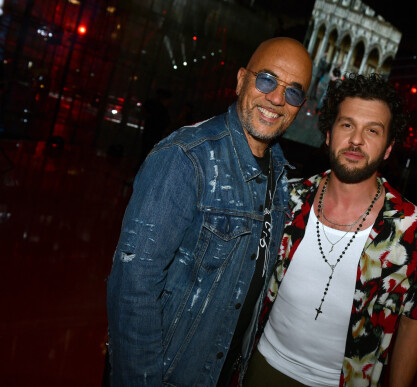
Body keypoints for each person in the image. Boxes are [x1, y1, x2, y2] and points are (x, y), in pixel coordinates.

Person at [105, 37, 312, 386]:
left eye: (293, 91)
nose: (277, 98)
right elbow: (133, 288)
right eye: (266, 80)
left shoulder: (280, 175)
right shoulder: (186, 158)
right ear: (241, 79)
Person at [244, 73, 417, 387]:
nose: (357, 140)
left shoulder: (412, 229)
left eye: (372, 130)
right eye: (347, 125)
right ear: (329, 135)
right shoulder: (287, 199)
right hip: (262, 366)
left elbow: (413, 322)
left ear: (388, 148)